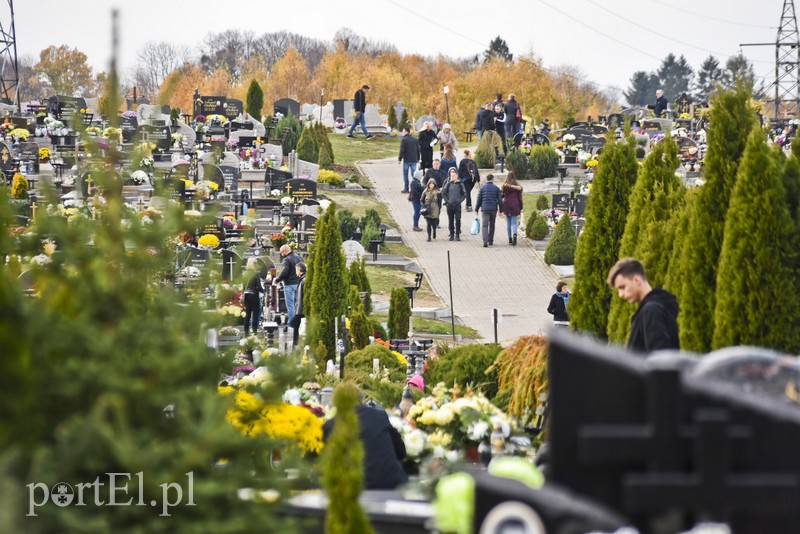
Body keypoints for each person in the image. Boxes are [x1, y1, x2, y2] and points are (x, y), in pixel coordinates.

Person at [322, 390, 409, 490]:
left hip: (353, 487)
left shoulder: (331, 424)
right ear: (361, 400)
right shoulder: (379, 415)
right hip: (391, 483)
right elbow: (401, 451)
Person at [607, 258, 680, 354]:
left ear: (636, 280)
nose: (620, 294)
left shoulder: (651, 310)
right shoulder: (659, 305)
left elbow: (660, 357)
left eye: (622, 287)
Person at [273, 244, 303, 325]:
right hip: (298, 284)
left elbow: (285, 271)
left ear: (284, 251)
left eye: (281, 252)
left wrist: (277, 280)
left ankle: (291, 324)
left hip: (289, 284)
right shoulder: (299, 257)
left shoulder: (286, 259)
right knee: (297, 305)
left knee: (290, 306)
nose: (281, 254)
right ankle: (298, 324)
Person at [475, 173, 503, 247]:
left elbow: (479, 199)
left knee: (485, 225)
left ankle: (485, 241)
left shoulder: (482, 188)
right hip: (493, 209)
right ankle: (490, 240)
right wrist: (501, 210)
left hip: (485, 209)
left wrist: (476, 209)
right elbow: (500, 200)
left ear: (486, 179)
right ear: (492, 179)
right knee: (492, 225)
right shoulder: (496, 188)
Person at [441, 167, 466, 241]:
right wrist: (447, 200)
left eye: (454, 176)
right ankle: (451, 235)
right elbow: (443, 193)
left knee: (458, 220)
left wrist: (460, 200)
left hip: (457, 205)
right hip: (450, 205)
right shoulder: (448, 183)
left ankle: (457, 235)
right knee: (450, 220)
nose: (452, 177)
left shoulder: (460, 183)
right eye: (451, 176)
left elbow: (464, 194)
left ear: (457, 176)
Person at [242, 257, 264, 337]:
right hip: (254, 295)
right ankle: (254, 333)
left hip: (246, 295)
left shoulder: (244, 273)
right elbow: (258, 286)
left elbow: (243, 286)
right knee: (255, 315)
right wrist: (263, 291)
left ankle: (246, 334)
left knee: (247, 315)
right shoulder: (255, 274)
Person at [500, 171, 523, 245]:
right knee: (514, 222)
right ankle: (515, 235)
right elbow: (520, 198)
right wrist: (521, 207)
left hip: (507, 204)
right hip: (515, 204)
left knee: (508, 223)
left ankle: (510, 239)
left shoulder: (505, 186)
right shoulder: (517, 186)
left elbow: (501, 195)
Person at [288, 262, 306, 347]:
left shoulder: (303, 280)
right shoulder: (301, 279)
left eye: (296, 270)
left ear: (299, 270)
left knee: (293, 324)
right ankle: (295, 343)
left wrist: (298, 309)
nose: (296, 272)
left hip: (301, 309)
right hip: (299, 308)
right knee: (295, 325)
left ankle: (294, 344)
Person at [397, 126, 420, 194]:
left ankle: (406, 188)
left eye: (403, 131)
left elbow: (402, 150)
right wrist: (418, 158)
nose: (402, 132)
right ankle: (414, 189)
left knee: (405, 174)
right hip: (414, 159)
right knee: (414, 175)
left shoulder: (404, 140)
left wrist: (400, 159)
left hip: (406, 160)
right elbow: (418, 150)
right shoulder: (415, 139)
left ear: (406, 132)